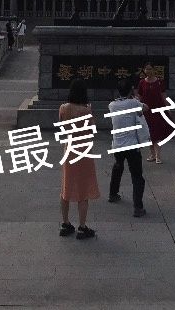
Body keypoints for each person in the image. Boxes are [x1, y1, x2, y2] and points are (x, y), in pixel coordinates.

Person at [58, 79, 100, 239]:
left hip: (69, 150)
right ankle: (82, 227)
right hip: (83, 151)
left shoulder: (63, 108)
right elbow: (92, 130)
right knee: (83, 190)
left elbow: (62, 127)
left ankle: (65, 223)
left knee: (66, 187)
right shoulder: (86, 111)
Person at [107, 79, 149, 217]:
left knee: (118, 167)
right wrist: (135, 98)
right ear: (131, 90)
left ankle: (113, 194)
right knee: (137, 176)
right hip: (132, 145)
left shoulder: (112, 105)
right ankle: (138, 207)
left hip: (117, 145)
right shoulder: (133, 103)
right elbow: (146, 108)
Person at [137, 62, 167, 164]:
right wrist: (139, 109)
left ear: (154, 69)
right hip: (146, 112)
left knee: (157, 133)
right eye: (146, 69)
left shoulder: (159, 82)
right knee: (149, 134)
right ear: (144, 70)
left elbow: (163, 96)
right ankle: (152, 154)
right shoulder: (142, 82)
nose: (148, 71)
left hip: (157, 111)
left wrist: (167, 108)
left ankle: (158, 155)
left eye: (150, 69)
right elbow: (140, 97)